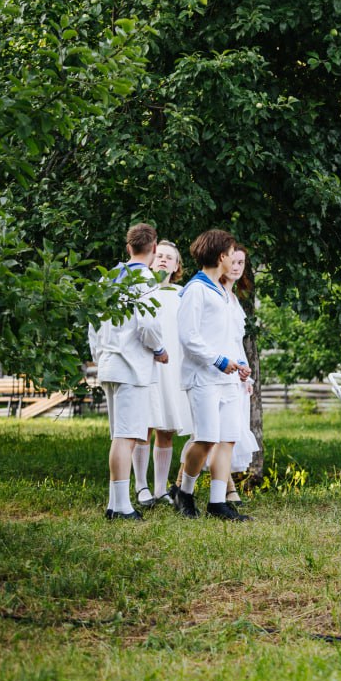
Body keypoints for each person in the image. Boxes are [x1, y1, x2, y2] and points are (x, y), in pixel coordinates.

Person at [88, 223, 167, 520]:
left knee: (121, 435)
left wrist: (100, 355)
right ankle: (121, 507)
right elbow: (147, 323)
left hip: (109, 362)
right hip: (131, 365)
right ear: (154, 247)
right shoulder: (145, 278)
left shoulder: (109, 278)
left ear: (128, 247)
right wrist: (159, 350)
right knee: (127, 436)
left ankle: (115, 502)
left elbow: (92, 324)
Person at [172, 229, 249, 521]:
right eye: (231, 253)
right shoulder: (196, 289)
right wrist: (219, 360)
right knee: (205, 438)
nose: (234, 258)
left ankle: (218, 503)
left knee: (228, 438)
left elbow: (231, 337)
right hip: (203, 377)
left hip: (228, 378)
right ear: (221, 256)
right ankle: (184, 492)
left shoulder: (223, 292)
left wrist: (241, 365)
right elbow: (188, 336)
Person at [135, 240, 192, 508]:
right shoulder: (142, 289)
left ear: (177, 265)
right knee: (143, 427)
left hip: (172, 369)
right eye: (159, 255)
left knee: (165, 429)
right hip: (146, 367)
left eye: (170, 257)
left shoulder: (182, 294)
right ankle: (141, 487)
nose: (163, 260)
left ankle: (160, 489)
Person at [222, 245, 257, 507]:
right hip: (219, 368)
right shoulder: (216, 295)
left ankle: (226, 488)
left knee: (229, 432)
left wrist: (246, 373)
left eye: (241, 263)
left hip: (236, 370)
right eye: (233, 261)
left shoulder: (234, 298)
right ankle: (181, 485)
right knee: (214, 433)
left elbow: (237, 340)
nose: (236, 267)